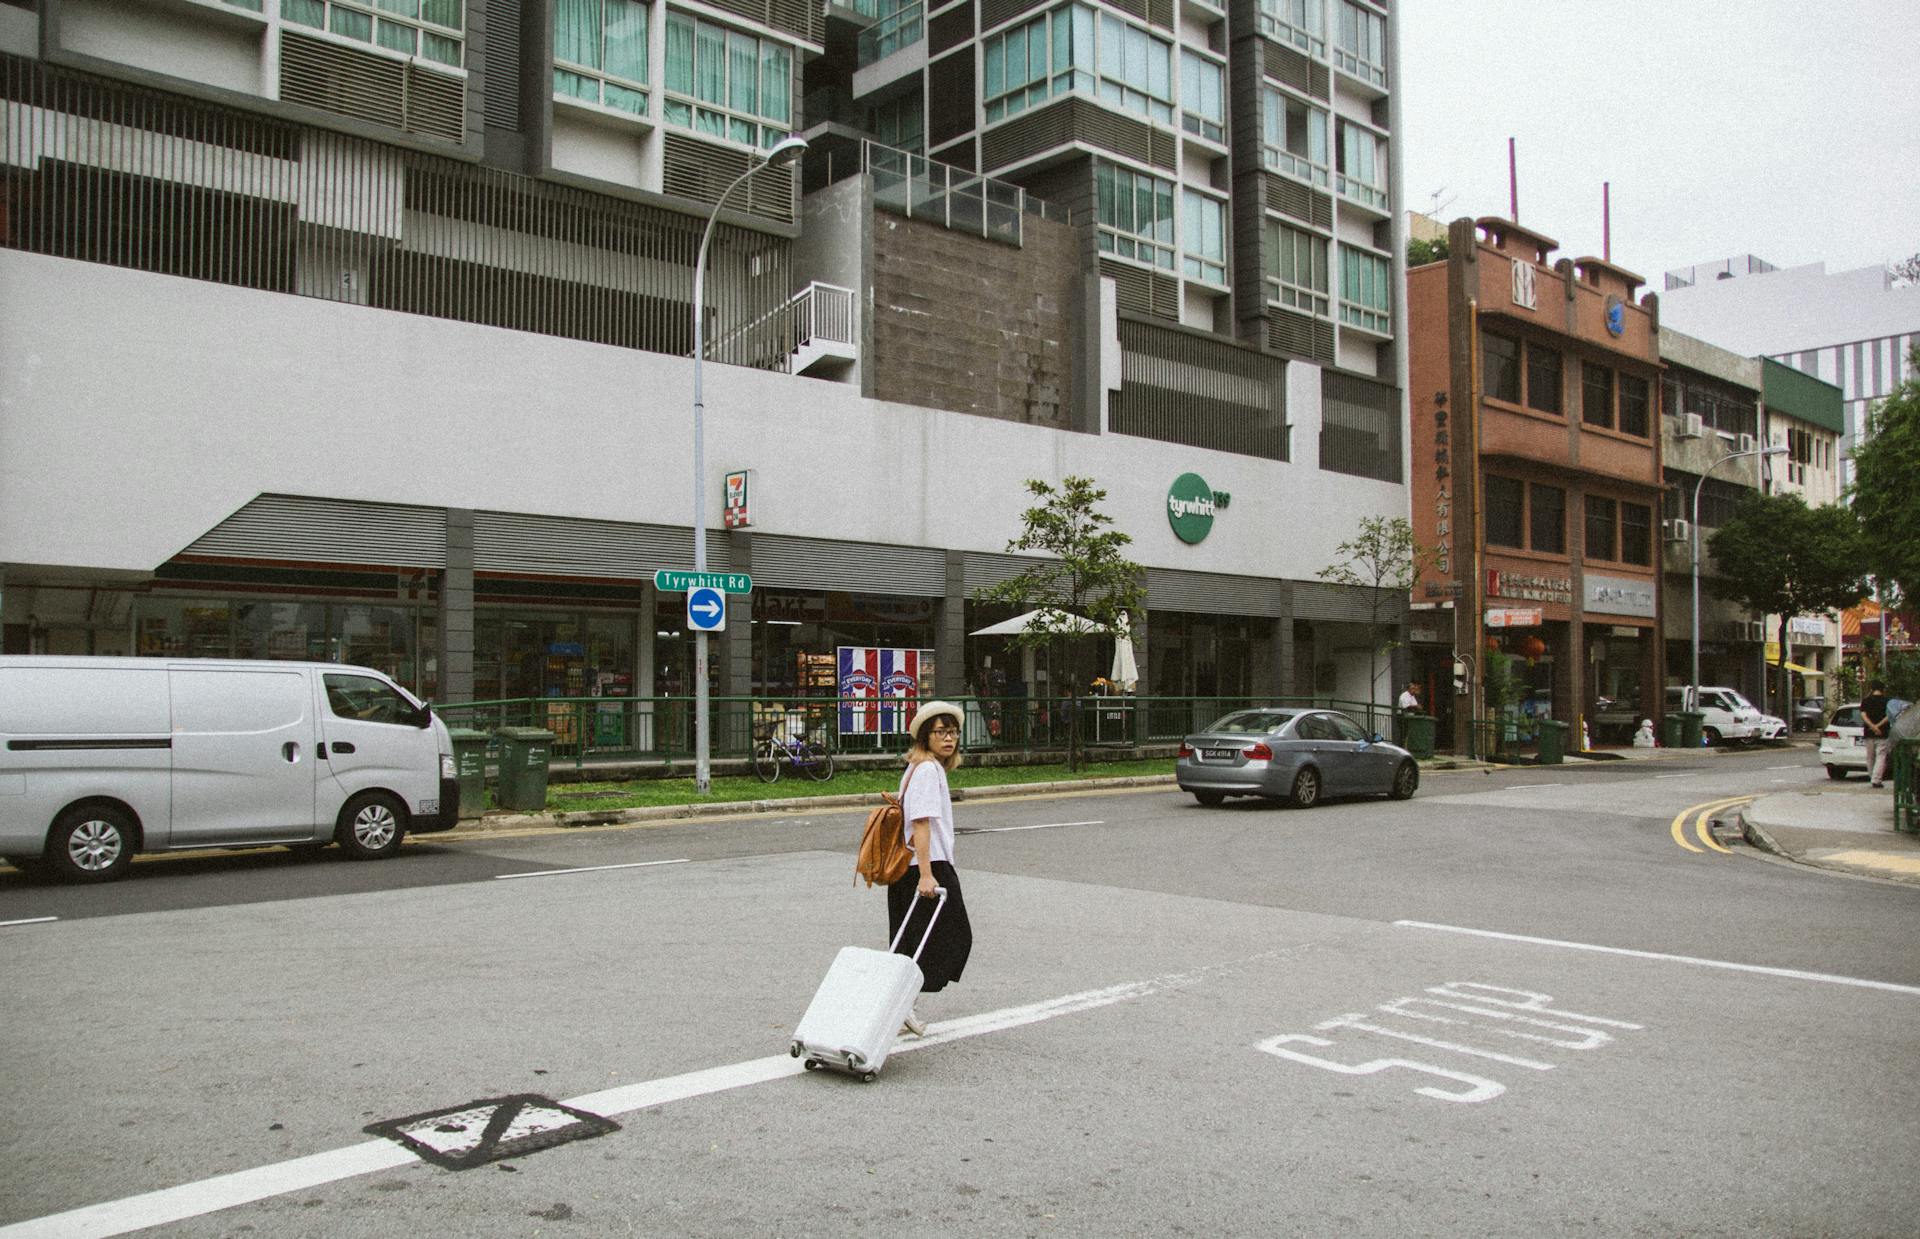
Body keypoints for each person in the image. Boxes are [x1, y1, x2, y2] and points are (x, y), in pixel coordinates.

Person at [888, 700, 974, 1036]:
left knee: (910, 941)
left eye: (952, 732)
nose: (949, 738)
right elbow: (920, 823)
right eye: (941, 732)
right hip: (926, 865)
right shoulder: (925, 770)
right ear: (926, 735)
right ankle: (902, 1002)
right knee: (954, 936)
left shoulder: (920, 767)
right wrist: (926, 873)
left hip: (915, 866)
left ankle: (899, 1005)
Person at [1861, 681, 1892, 787]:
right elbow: (1888, 716)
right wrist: (1878, 726)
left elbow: (1864, 715)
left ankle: (1872, 777)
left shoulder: (1866, 701)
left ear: (1872, 689)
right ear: (1883, 689)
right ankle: (1876, 779)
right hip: (1882, 732)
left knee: (1870, 757)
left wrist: (1872, 726)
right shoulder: (1887, 701)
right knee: (1881, 756)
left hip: (1868, 732)